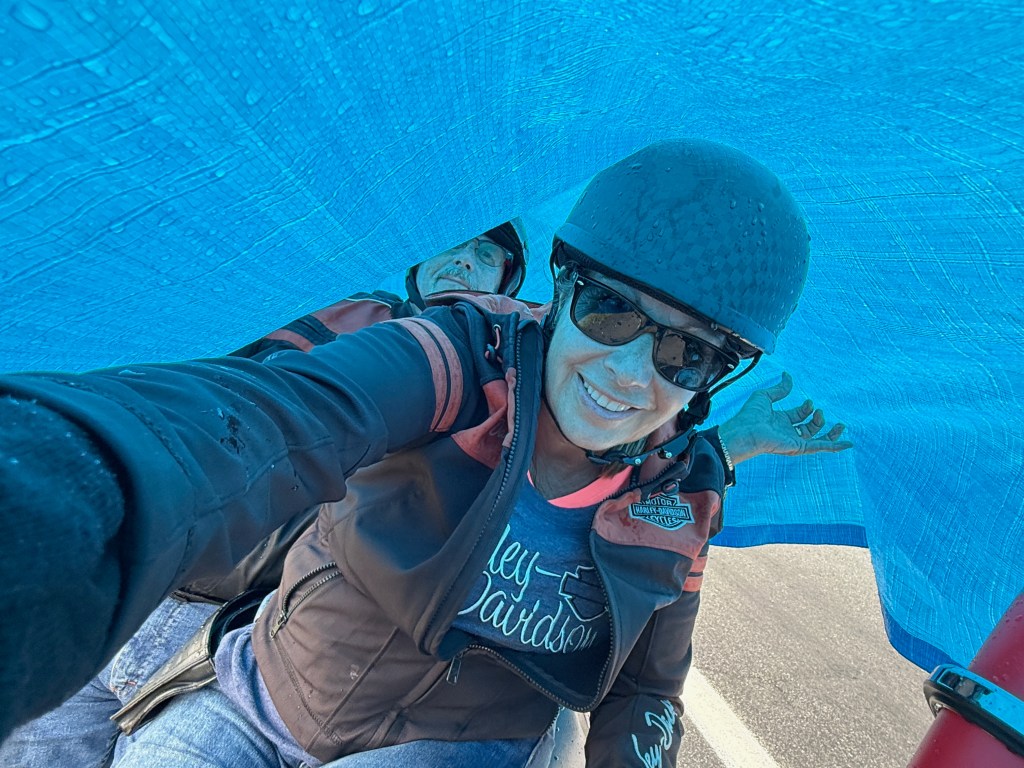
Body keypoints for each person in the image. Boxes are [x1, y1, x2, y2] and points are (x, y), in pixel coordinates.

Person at [0, 139, 851, 763]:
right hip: (264, 703)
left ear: (718, 375)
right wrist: (65, 486)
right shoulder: (464, 352)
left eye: (689, 353)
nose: (632, 374)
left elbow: (649, 689)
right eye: (614, 314)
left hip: (458, 748)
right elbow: (284, 414)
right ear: (562, 285)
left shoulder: (686, 492)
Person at [0, 220, 528, 758]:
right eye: (455, 240)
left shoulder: (512, 390)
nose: (465, 260)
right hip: (143, 582)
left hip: (248, 633)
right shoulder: (330, 311)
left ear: (509, 284)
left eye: (487, 255)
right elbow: (227, 395)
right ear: (416, 259)